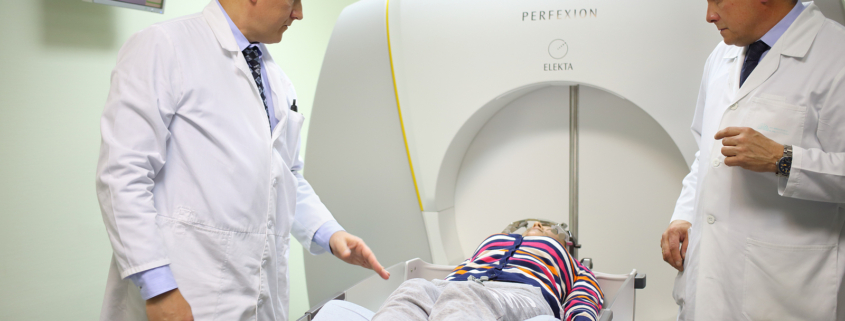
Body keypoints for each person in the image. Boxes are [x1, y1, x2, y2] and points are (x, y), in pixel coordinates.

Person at [95, 0, 389, 320]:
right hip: (185, 290)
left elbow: (285, 176)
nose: (299, 13)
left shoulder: (276, 79)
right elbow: (122, 174)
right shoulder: (163, 46)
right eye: (293, 0)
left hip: (260, 296)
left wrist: (330, 234)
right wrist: (160, 288)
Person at [659, 0, 845, 319]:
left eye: (718, 0)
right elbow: (707, 152)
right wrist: (684, 216)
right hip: (709, 278)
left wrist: (783, 160)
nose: (709, 15)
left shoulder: (835, 55)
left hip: (783, 288)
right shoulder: (722, 55)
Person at [367, 221, 603, 321]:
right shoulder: (495, 241)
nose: (538, 225)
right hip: (453, 284)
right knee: (413, 288)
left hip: (523, 293)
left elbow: (585, 294)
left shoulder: (572, 264)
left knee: (466, 294)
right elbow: (468, 265)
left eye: (551, 229)